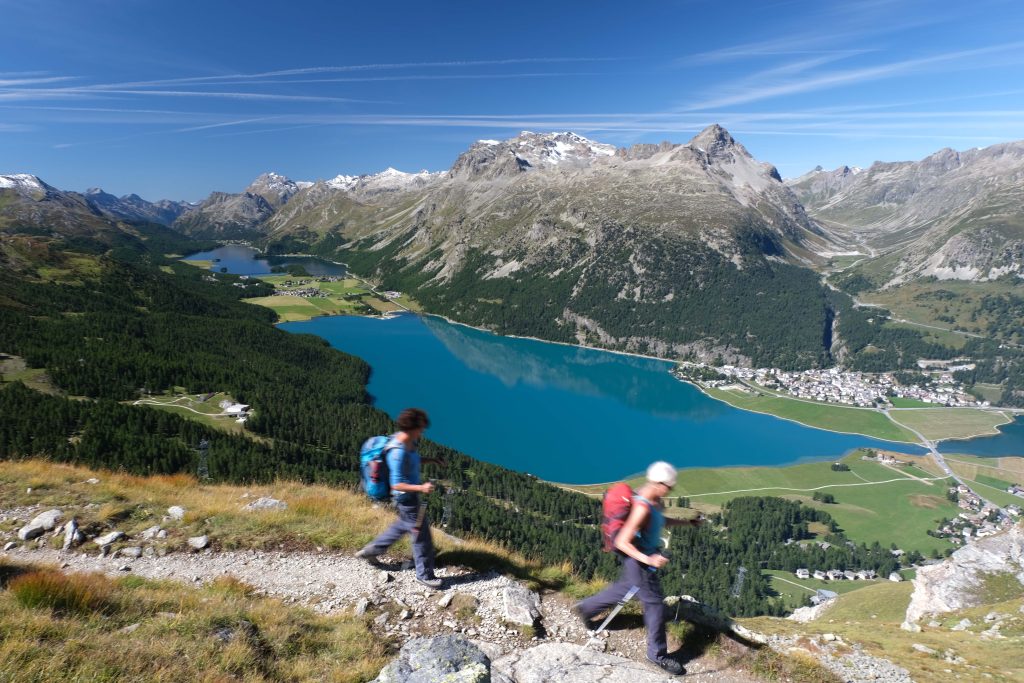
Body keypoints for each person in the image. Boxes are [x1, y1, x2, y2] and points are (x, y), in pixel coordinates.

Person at [574, 461, 702, 676]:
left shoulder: (654, 501)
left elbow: (660, 521)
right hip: (640, 560)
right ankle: (657, 655)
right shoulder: (642, 506)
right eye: (669, 486)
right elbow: (623, 541)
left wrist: (687, 523)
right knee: (654, 605)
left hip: (641, 558)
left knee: (625, 587)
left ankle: (586, 608)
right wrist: (649, 560)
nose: (669, 490)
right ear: (660, 483)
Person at [355, 408, 445, 589]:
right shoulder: (398, 452)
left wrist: (432, 460)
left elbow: (413, 460)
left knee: (402, 526)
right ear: (412, 428)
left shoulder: (405, 441)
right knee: (422, 537)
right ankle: (424, 575)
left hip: (410, 500)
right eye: (421, 428)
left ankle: (372, 550)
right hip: (407, 500)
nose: (422, 431)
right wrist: (422, 487)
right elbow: (396, 484)